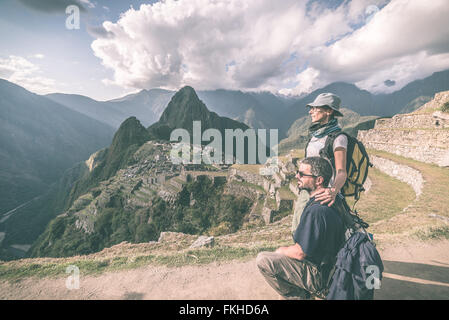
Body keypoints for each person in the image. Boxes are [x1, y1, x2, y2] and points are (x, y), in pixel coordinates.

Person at [257, 157, 345, 300]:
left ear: (319, 180)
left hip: (319, 276)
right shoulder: (331, 201)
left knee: (264, 260)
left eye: (302, 174)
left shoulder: (316, 211)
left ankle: (301, 296)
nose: (297, 176)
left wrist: (281, 250)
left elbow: (300, 253)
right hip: (330, 269)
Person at [291, 93, 348, 234]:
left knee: (311, 228)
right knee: (299, 225)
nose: (311, 111)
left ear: (328, 111)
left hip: (323, 192)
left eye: (315, 108)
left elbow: (341, 171)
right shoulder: (316, 135)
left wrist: (333, 191)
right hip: (308, 188)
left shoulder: (338, 139)